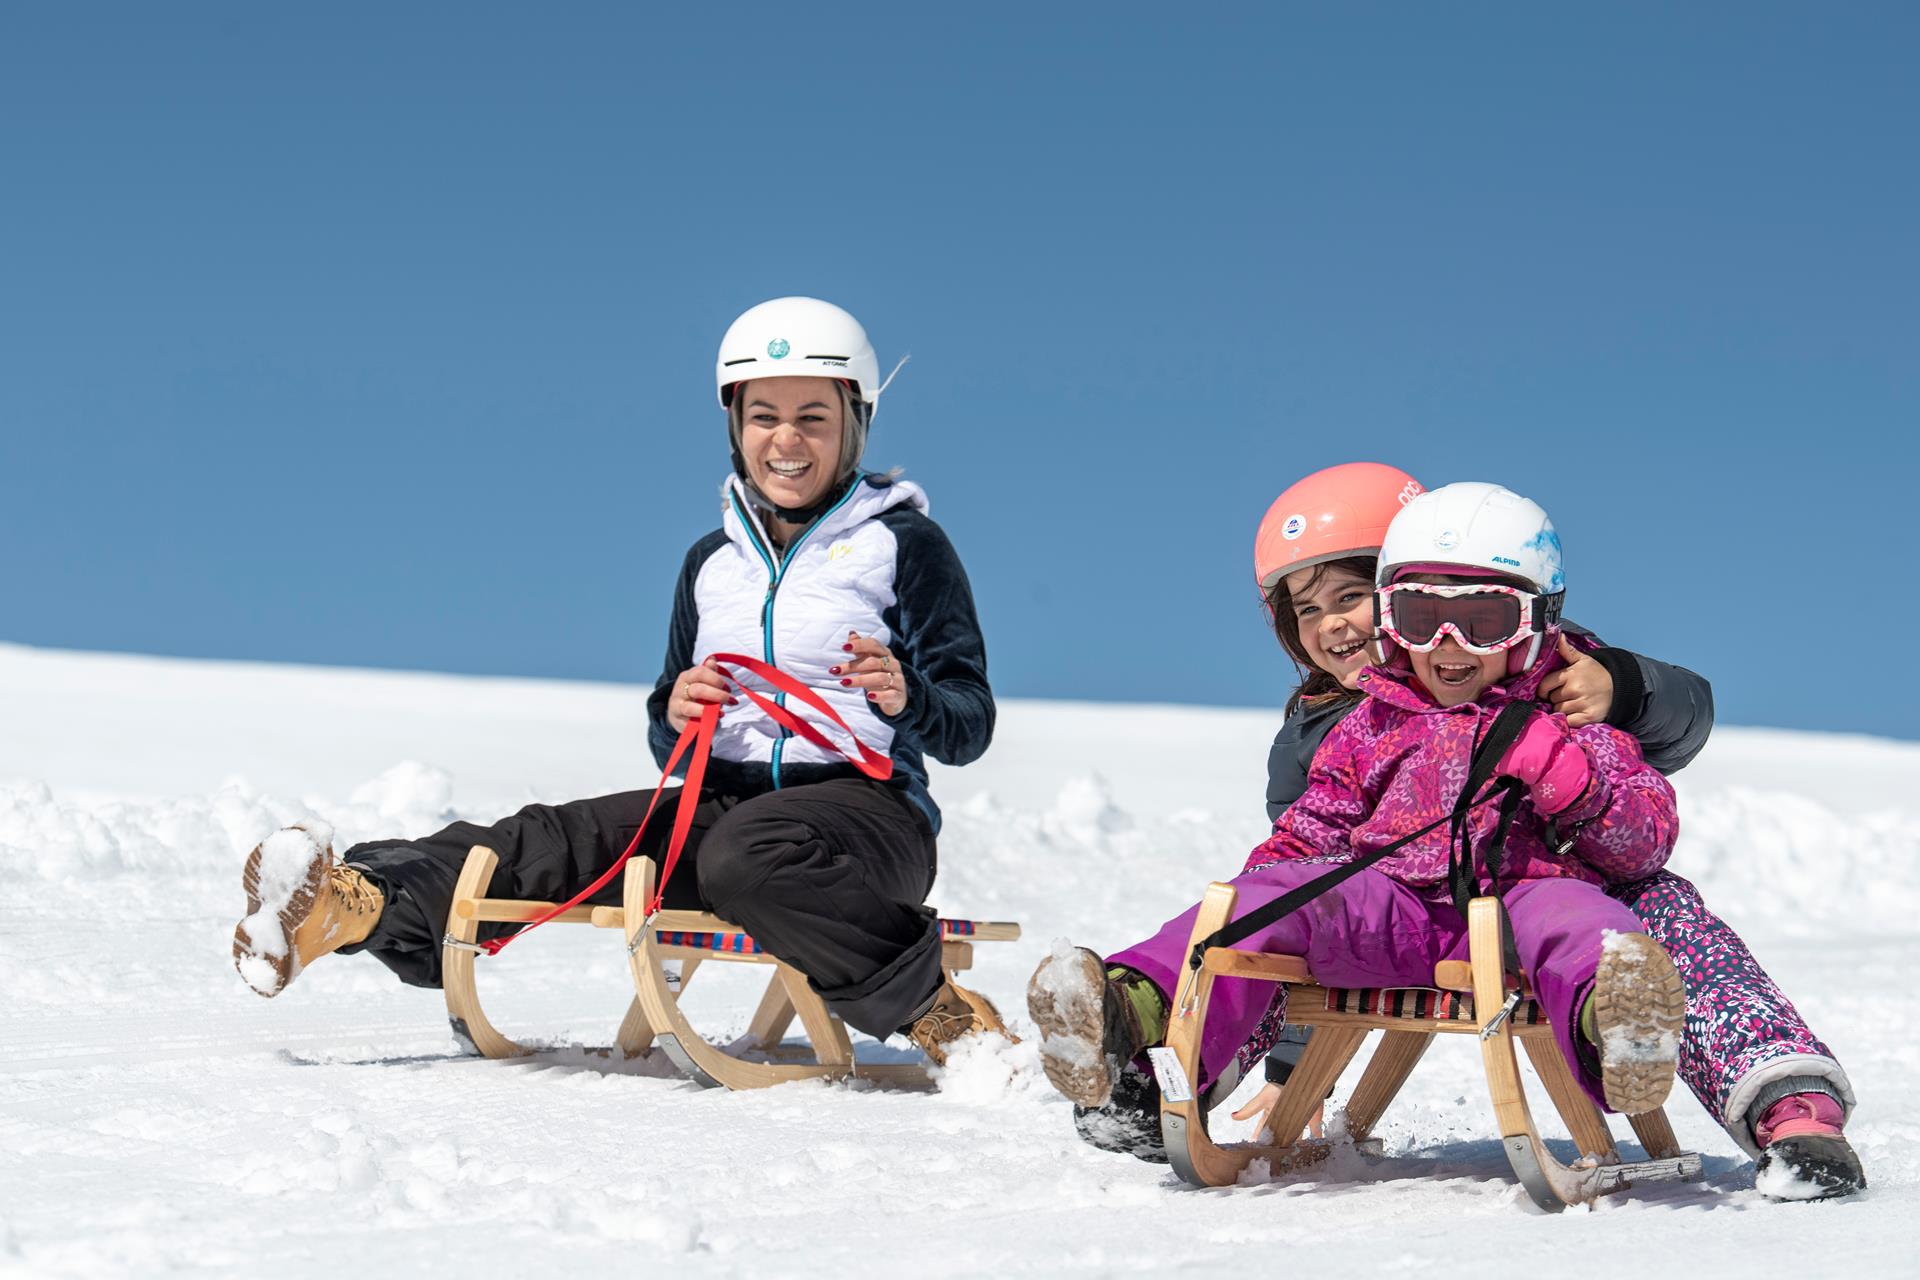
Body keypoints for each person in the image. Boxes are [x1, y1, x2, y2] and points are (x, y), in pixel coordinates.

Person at [232, 296, 1011, 1064]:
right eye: (763, 415)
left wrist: (907, 695)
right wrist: (676, 710)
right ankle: (351, 903)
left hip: (869, 820)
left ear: (855, 422)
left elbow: (968, 724)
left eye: (813, 416)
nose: (786, 438)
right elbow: (665, 728)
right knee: (553, 838)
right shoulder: (711, 563)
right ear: (735, 426)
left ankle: (941, 1015)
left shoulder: (906, 544)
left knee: (744, 854)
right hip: (726, 808)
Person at [1238, 463, 1862, 1197]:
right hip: (1414, 918)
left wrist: (1619, 685)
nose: (1334, 625)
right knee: (1263, 906)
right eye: (1306, 611)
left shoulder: (1547, 664)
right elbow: (1311, 888)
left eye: (1351, 596)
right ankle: (1165, 1066)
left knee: (1661, 910)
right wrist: (1292, 1067)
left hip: (1565, 891)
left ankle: (1786, 1104)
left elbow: (1683, 716)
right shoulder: (1319, 735)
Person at [1031, 483, 1693, 1155]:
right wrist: (1264, 893)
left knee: (1582, 919)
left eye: (1484, 621)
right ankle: (1126, 1013)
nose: (1449, 641)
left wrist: (1568, 777)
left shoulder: (1575, 720)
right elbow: (1312, 831)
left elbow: (1644, 845)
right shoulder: (1371, 723)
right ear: (1391, 620)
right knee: (1266, 899)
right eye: (1419, 617)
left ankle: (1619, 1028)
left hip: (1523, 903)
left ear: (1534, 624)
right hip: (1394, 911)